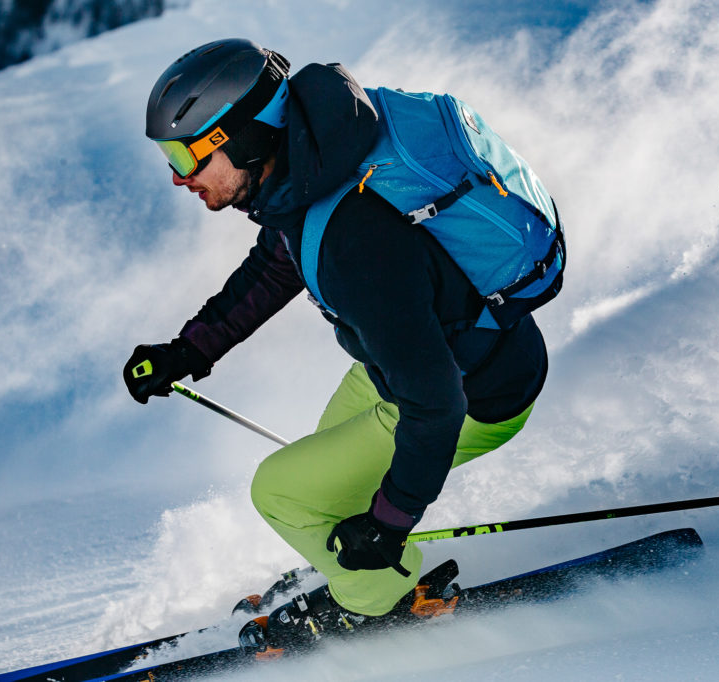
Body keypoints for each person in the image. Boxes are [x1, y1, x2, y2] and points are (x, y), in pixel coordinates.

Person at [122, 39, 550, 627]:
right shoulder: (312, 165)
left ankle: (381, 600)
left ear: (242, 138)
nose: (178, 177)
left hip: (474, 390)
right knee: (324, 468)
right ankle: (350, 560)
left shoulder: (356, 240)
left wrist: (389, 524)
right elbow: (278, 263)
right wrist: (189, 350)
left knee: (282, 492)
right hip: (424, 357)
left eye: (185, 155)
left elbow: (436, 406)